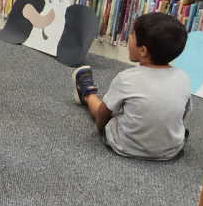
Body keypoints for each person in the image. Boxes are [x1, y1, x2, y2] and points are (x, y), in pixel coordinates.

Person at [73, 12, 191, 161]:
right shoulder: (184, 78)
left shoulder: (126, 78)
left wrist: (102, 128)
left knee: (107, 110)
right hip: (170, 151)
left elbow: (102, 116)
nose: (128, 39)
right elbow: (182, 115)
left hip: (125, 145)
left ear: (143, 50)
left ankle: (88, 94)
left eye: (132, 35)